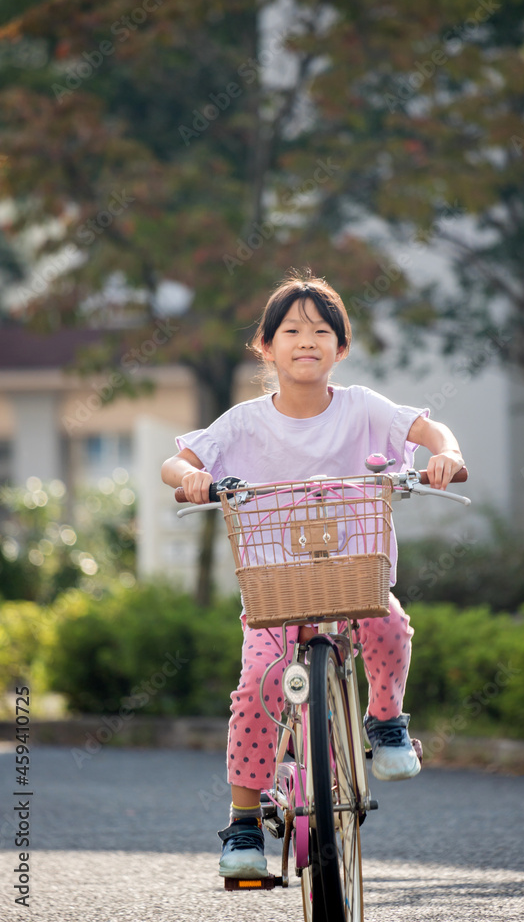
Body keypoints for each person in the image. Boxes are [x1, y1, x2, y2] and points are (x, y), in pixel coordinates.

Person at [161, 271, 465, 879]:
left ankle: (385, 722)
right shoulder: (244, 422)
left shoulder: (361, 407)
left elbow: (427, 428)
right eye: (292, 330)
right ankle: (243, 820)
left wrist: (446, 455)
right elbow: (180, 460)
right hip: (274, 588)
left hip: (354, 579)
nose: (307, 340)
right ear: (267, 347)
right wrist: (190, 478)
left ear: (341, 347)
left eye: (322, 331)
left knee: (391, 628)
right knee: (259, 681)